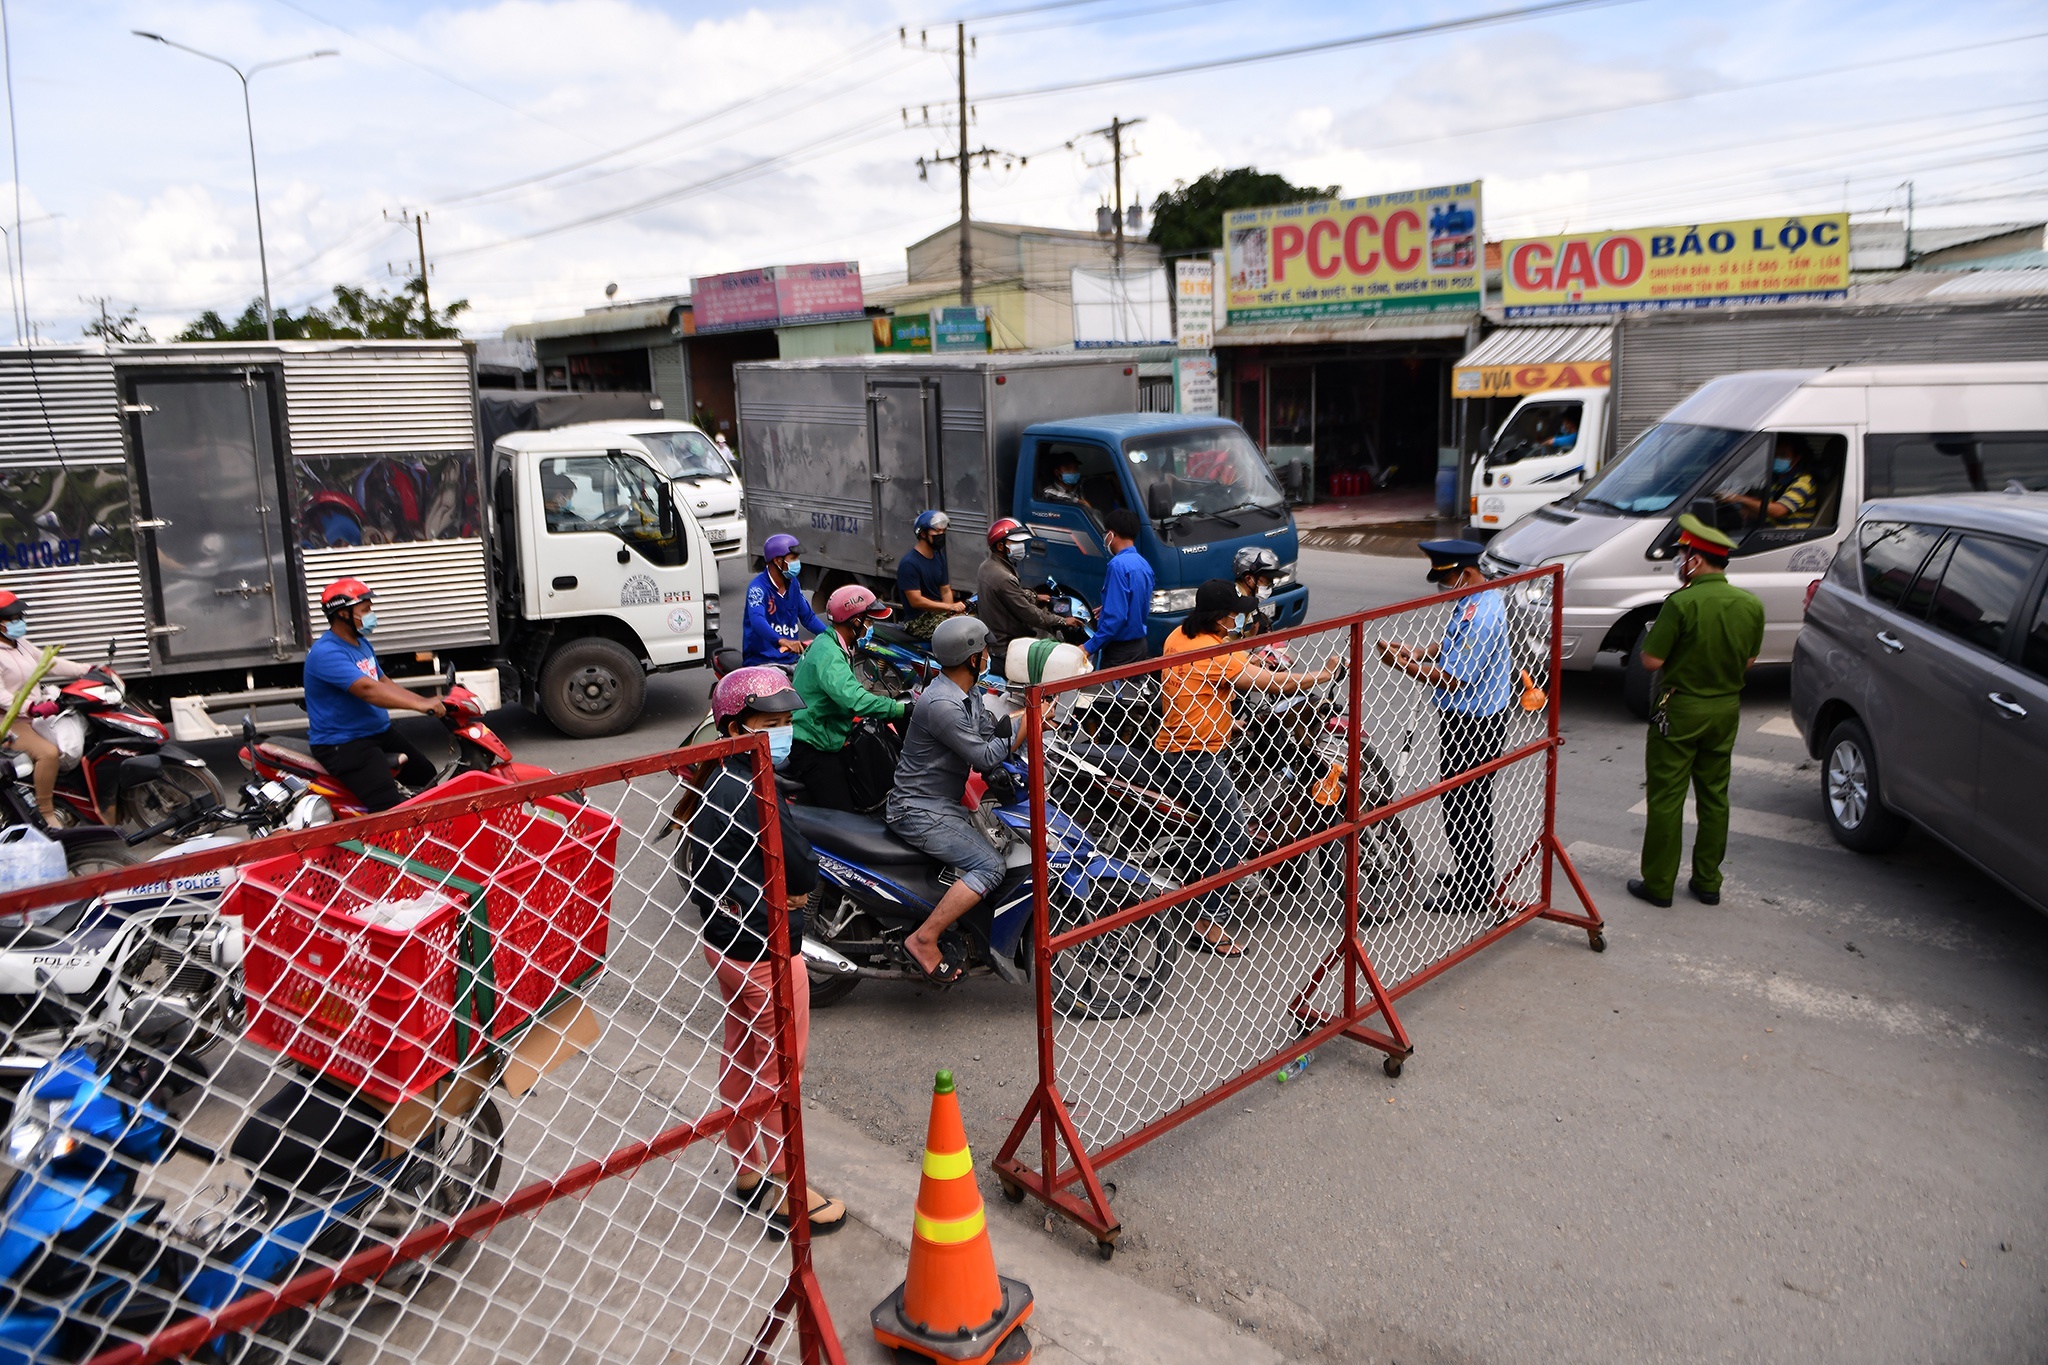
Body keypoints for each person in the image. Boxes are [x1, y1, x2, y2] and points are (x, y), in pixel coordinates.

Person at [685, 665, 846, 1239]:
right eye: (768, 723)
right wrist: (792, 890)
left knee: (745, 1055)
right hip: (765, 949)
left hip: (724, 942)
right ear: (733, 726)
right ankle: (783, 1184)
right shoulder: (751, 785)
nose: (781, 734)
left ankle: (749, 1168)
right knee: (782, 1065)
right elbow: (801, 863)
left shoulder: (717, 778)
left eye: (784, 723)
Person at [1156, 579, 1342, 954]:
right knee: (1234, 833)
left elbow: (1204, 686)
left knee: (1218, 823)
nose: (1236, 621)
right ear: (1219, 618)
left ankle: (1200, 887)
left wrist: (1229, 711)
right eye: (1232, 616)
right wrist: (1322, 675)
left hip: (1183, 742)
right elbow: (1272, 684)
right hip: (1196, 755)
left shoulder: (1179, 635)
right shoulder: (1215, 653)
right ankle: (1209, 923)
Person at [1628, 515, 1766, 908]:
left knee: (1668, 797)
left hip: (1682, 708)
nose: (1680, 562)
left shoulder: (1682, 603)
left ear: (1698, 560)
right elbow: (1750, 660)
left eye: (1683, 555)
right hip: (1725, 709)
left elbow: (1651, 661)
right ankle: (1707, 882)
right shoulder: (1750, 604)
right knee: (1714, 796)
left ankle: (1658, 884)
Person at [1375, 541, 1513, 916]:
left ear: (1466, 573)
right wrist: (1418, 652)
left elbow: (1455, 678)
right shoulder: (1474, 599)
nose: (1441, 586)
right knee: (1464, 802)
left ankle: (1474, 890)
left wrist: (1399, 665)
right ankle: (1472, 874)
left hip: (1475, 721)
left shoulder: (1483, 612)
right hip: (1465, 716)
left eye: (1446, 578)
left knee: (1463, 805)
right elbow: (1452, 644)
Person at [885, 616, 1017, 982]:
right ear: (972, 658)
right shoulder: (943, 703)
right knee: (991, 866)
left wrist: (1016, 727)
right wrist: (1028, 727)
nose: (990, 655)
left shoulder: (968, 692)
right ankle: (924, 938)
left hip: (943, 804)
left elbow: (989, 731)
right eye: (985, 650)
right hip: (919, 810)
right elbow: (987, 756)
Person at [304, 577, 444, 813]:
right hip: (344, 742)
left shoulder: (360, 643)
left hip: (377, 732)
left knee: (426, 776)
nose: (371, 615)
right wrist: (419, 707)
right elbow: (367, 690)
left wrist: (425, 701)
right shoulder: (326, 652)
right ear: (343, 614)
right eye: (365, 610)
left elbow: (381, 681)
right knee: (387, 806)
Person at [787, 585, 908, 811]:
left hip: (826, 735)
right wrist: (898, 709)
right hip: (812, 746)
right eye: (868, 622)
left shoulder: (834, 644)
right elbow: (854, 700)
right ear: (855, 622)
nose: (869, 628)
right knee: (844, 815)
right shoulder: (829, 653)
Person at [0, 591, 97, 824]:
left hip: (32, 714)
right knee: (48, 753)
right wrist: (30, 707)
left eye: (19, 616)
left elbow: (49, 663)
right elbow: (1, 695)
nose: (18, 621)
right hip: (9, 720)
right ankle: (46, 812)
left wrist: (89, 670)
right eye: (11, 618)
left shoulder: (20, 644)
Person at [976, 518, 1083, 669]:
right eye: (1015, 543)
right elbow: (1031, 616)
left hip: (997, 639)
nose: (1021, 547)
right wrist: (1063, 621)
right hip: (1007, 646)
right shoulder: (1003, 577)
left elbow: (1012, 593)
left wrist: (1034, 596)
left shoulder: (987, 566)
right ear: (1000, 546)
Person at [743, 533, 827, 669]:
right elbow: (757, 620)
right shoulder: (757, 588)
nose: (797, 562)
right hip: (764, 662)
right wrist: (782, 641)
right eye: (793, 558)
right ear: (777, 561)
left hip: (792, 660)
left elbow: (809, 618)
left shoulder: (793, 584)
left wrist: (831, 635)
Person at [1081, 508, 1153, 668]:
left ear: (1111, 534)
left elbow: (1116, 618)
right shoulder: (1143, 563)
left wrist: (1088, 647)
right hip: (1139, 646)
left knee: (1114, 692)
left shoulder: (1117, 565)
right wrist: (1107, 606)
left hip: (1120, 652)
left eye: (1105, 533)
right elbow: (1137, 601)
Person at [896, 510, 965, 642]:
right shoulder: (909, 564)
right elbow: (916, 601)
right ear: (923, 534)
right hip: (918, 620)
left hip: (939, 615)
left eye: (943, 531)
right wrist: (949, 607)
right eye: (937, 532)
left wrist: (951, 614)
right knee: (956, 636)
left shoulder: (939, 556)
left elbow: (945, 590)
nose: (941, 535)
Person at [1722, 435, 1818, 529]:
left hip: (1791, 535)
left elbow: (1778, 511)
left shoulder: (1803, 482)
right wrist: (1742, 511)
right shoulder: (1774, 479)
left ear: (1796, 459)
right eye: (1774, 455)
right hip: (1772, 530)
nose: (1777, 459)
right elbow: (1766, 511)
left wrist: (1737, 498)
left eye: (1783, 455)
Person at [1233, 545, 1282, 636]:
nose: (1269, 587)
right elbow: (1225, 644)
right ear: (1249, 579)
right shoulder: (1237, 604)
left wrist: (1251, 634)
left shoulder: (1245, 599)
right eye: (1266, 582)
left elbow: (1235, 639)